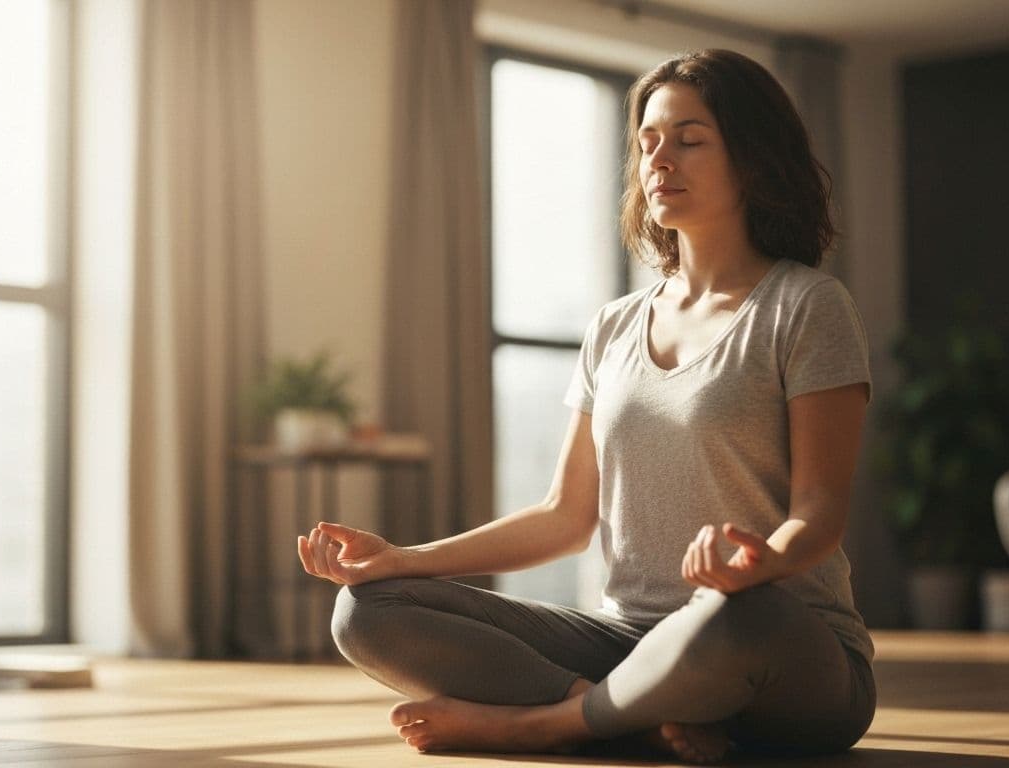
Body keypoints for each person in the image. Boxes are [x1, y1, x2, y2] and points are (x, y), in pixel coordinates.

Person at [296, 48, 875, 765]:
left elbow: (819, 513)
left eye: (690, 140)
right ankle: (618, 714)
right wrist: (404, 559)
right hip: (628, 643)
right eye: (648, 142)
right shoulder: (614, 326)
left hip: (775, 648)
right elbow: (565, 517)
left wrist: (757, 566)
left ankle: (541, 726)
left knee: (733, 618)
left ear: (753, 159)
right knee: (369, 608)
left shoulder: (806, 306)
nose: (659, 160)